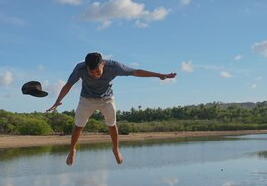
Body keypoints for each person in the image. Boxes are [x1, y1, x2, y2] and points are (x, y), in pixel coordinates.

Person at [47, 52, 177, 166]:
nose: (95, 75)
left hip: (106, 99)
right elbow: (68, 85)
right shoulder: (79, 69)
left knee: (111, 124)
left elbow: (136, 72)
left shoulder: (114, 67)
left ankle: (115, 149)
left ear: (103, 64)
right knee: (78, 126)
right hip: (87, 99)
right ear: (86, 68)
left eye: (98, 71)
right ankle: (72, 150)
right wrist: (57, 101)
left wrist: (159, 75)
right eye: (91, 72)